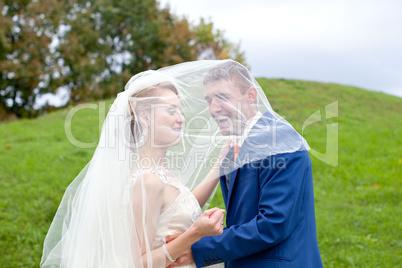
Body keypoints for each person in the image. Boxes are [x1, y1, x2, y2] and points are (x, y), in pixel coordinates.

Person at [40, 71, 229, 267]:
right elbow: (137, 263)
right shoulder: (148, 180)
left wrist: (220, 166)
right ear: (145, 115)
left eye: (180, 111)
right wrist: (195, 233)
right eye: (171, 111)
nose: (181, 119)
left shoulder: (159, 171)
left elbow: (179, 209)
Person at [168, 61, 323, 267]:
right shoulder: (233, 147)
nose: (213, 109)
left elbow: (273, 225)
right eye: (209, 100)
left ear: (251, 96)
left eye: (222, 97)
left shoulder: (281, 141)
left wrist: (199, 250)